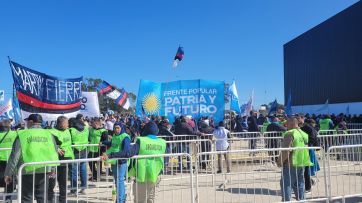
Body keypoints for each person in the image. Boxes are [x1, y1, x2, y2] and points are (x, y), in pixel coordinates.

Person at [105, 121, 166, 203]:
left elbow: (128, 153)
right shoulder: (162, 142)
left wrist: (110, 155)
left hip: (142, 175)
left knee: (140, 199)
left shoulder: (142, 140)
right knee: (151, 198)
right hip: (156, 174)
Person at [4, 114, 60, 203]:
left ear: (30, 122)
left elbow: (15, 156)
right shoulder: (48, 134)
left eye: (27, 121)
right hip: (44, 169)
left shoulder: (23, 134)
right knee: (42, 198)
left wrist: (9, 173)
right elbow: (53, 151)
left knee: (27, 198)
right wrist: (52, 168)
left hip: (27, 170)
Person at [277, 117, 313, 202]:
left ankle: (286, 201)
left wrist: (279, 162)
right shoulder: (303, 133)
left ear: (291, 124)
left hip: (291, 162)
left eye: (287, 123)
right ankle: (302, 200)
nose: (286, 125)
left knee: (286, 184)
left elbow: (286, 150)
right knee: (300, 184)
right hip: (302, 161)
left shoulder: (290, 133)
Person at [102, 122, 131, 203]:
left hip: (121, 162)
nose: (116, 129)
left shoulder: (126, 137)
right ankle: (121, 198)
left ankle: (120, 200)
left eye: (118, 128)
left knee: (120, 181)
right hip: (114, 160)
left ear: (121, 128)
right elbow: (113, 143)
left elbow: (126, 152)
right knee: (117, 181)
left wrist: (111, 155)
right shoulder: (115, 135)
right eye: (115, 128)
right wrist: (104, 142)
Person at [48, 116, 75, 203]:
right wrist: (56, 148)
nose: (68, 125)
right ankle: (49, 200)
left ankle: (62, 201)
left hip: (66, 160)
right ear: (61, 123)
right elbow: (47, 144)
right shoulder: (51, 132)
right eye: (66, 123)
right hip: (55, 161)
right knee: (51, 183)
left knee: (63, 183)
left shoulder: (67, 130)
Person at [69, 117, 89, 195]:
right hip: (84, 150)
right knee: (83, 169)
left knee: (73, 171)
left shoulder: (71, 130)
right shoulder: (86, 129)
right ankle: (83, 188)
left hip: (75, 151)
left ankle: (73, 190)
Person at [0, 119, 17, 202]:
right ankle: (8, 198)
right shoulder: (15, 134)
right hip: (10, 160)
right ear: (9, 126)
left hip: (1, 161)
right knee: (10, 180)